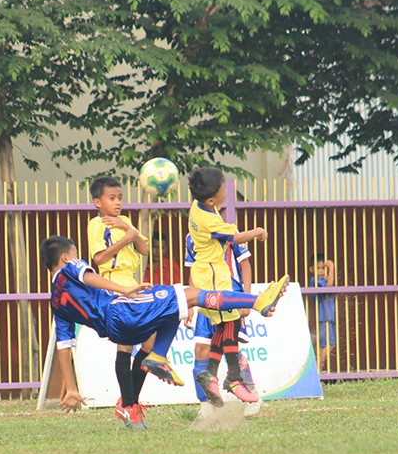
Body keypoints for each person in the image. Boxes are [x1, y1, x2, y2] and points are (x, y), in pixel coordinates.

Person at [41, 235, 288, 426]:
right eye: (75, 254)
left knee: (170, 313)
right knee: (190, 295)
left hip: (113, 330)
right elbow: (88, 277)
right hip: (121, 310)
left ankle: (144, 380)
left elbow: (64, 347)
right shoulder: (70, 267)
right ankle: (257, 302)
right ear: (65, 257)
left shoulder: (56, 303)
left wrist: (72, 388)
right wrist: (123, 289)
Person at [187, 168, 268, 405]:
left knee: (224, 326)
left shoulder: (198, 206)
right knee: (231, 321)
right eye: (224, 189)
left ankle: (211, 374)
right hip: (213, 276)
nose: (226, 191)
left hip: (207, 273)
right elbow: (238, 238)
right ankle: (232, 378)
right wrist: (258, 231)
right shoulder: (211, 220)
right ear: (211, 199)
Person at [86, 175, 153, 428]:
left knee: (151, 341)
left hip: (133, 285)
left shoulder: (124, 221)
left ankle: (129, 401)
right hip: (115, 286)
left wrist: (129, 231)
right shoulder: (96, 225)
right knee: (125, 346)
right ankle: (129, 406)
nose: (117, 203)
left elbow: (145, 250)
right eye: (111, 198)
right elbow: (99, 260)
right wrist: (127, 237)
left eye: (120, 198)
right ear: (97, 202)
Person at [183, 234, 259, 407]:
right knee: (201, 349)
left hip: (230, 297)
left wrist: (245, 298)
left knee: (229, 344)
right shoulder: (191, 237)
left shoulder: (229, 232)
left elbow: (245, 265)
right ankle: (208, 404)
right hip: (205, 299)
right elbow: (193, 271)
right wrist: (190, 304)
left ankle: (248, 392)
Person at [309, 253, 337, 372]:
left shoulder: (321, 280)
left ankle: (318, 369)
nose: (321, 271)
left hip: (328, 316)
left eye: (323, 268)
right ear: (311, 269)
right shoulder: (314, 280)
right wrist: (331, 267)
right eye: (318, 268)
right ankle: (317, 369)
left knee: (326, 344)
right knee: (328, 344)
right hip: (324, 316)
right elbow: (330, 285)